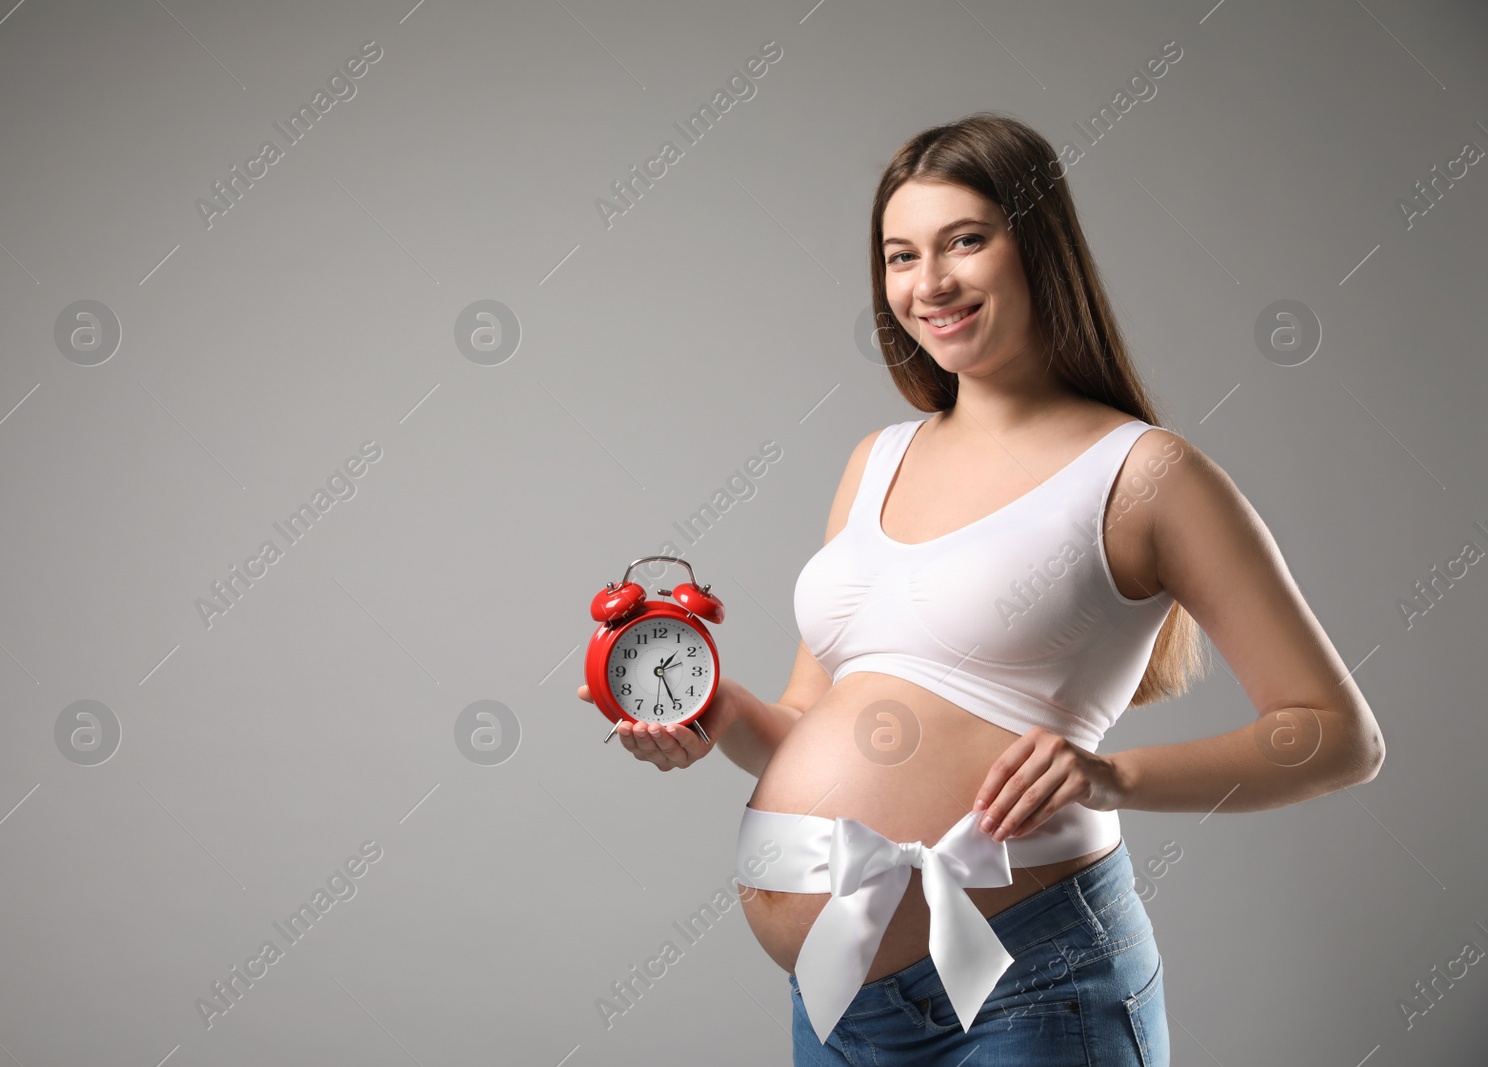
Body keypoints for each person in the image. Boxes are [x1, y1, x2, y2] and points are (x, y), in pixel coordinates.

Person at [576, 111, 1385, 1066]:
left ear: (1037, 246)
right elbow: (806, 724)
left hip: (1033, 989)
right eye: (901, 254)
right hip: (838, 1003)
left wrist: (1110, 777)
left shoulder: (1146, 474)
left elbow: (1337, 736)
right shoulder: (875, 460)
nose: (932, 283)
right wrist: (712, 717)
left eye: (966, 240)